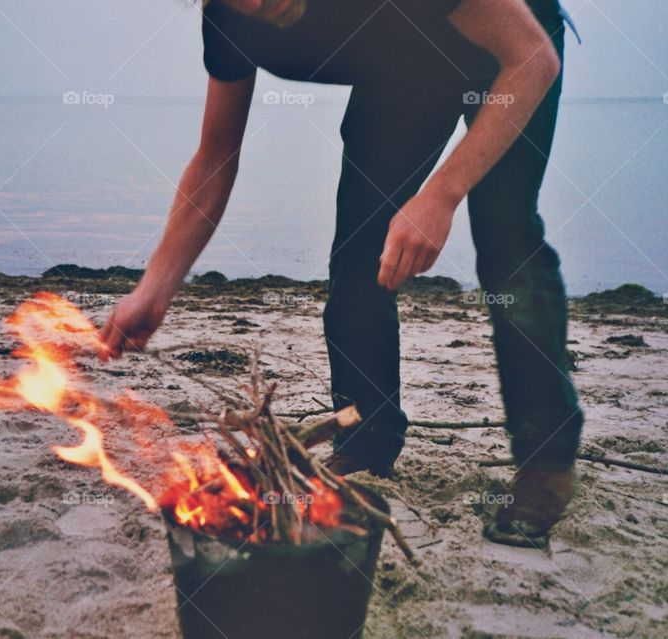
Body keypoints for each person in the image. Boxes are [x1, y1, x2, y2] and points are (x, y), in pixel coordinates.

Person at [100, 0, 583, 546]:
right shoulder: (228, 20)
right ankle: (367, 436)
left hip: (506, 53)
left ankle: (546, 460)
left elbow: (532, 59)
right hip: (406, 69)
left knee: (505, 234)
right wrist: (154, 289)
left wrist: (441, 196)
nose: (261, 3)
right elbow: (215, 156)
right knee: (360, 246)